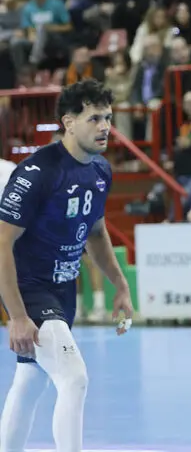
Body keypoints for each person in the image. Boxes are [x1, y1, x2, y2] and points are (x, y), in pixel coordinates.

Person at [0, 79, 134, 452]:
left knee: (31, 382)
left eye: (108, 117)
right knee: (74, 378)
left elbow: (95, 233)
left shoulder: (100, 172)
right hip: (30, 289)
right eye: (94, 118)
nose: (105, 126)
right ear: (69, 122)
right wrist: (18, 315)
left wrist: (120, 286)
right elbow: (1, 244)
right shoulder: (37, 173)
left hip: (62, 290)